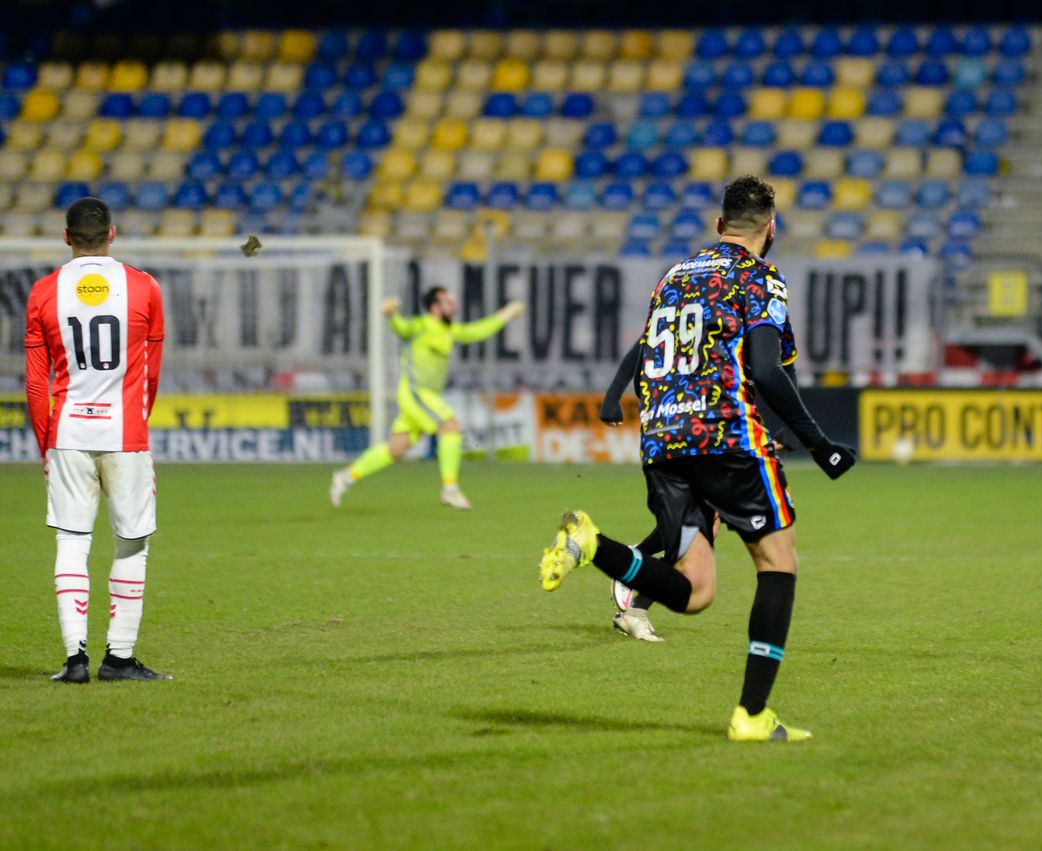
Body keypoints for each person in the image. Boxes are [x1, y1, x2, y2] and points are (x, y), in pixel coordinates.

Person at [539, 176, 856, 742]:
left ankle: (592, 545)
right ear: (771, 227)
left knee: (695, 591)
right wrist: (818, 443)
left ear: (718, 225)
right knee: (778, 562)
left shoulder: (676, 275)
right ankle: (752, 715)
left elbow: (649, 347)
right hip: (725, 437)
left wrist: (617, 395)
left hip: (662, 440)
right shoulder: (759, 277)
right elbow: (766, 369)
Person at [25, 197, 169, 683]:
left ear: (66, 237)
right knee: (132, 542)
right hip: (126, 432)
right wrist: (137, 421)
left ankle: (75, 661)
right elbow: (151, 374)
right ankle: (120, 658)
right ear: (113, 233)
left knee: (71, 540)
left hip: (67, 433)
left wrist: (46, 442)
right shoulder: (144, 287)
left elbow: (36, 384)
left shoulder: (44, 292)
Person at [330, 288, 524, 509]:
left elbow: (478, 330)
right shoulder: (421, 325)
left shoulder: (450, 331)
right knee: (450, 426)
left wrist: (506, 314)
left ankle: (345, 477)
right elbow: (400, 326)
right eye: (447, 300)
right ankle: (450, 489)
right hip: (414, 392)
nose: (454, 304)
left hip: (426, 396)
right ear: (434, 306)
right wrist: (390, 314)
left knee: (396, 449)